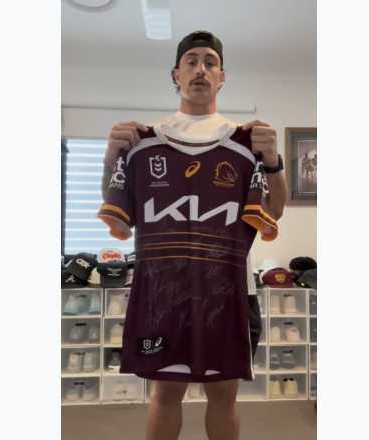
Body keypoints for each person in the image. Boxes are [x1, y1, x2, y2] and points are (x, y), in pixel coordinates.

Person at [100, 31, 287, 440]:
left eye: (210, 62)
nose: (201, 69)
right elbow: (121, 216)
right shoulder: (142, 144)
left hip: (230, 293)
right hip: (163, 294)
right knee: (166, 393)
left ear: (222, 76)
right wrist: (111, 159)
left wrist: (273, 162)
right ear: (176, 74)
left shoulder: (247, 143)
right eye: (191, 61)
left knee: (224, 395)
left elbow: (273, 211)